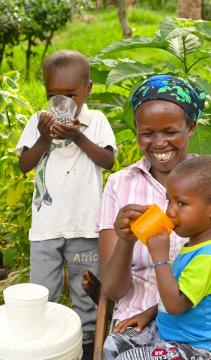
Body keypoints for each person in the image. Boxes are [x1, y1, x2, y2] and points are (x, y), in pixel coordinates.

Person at [97, 74, 211, 359]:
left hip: (207, 326)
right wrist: (125, 241)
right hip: (141, 313)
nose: (159, 143)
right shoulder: (120, 185)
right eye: (147, 133)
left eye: (170, 131)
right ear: (136, 130)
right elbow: (112, 289)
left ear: (191, 128)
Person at [16, 49, 117, 359]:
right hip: (46, 227)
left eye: (71, 94)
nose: (62, 102)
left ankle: (87, 344)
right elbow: (24, 164)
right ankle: (43, 344)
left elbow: (108, 160)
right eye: (53, 95)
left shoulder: (96, 121)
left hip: (85, 223)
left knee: (84, 289)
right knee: (40, 291)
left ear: (88, 89)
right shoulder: (38, 121)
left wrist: (77, 138)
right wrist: (44, 137)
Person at [104, 155, 211, 360]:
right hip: (171, 336)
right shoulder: (193, 246)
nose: (170, 212)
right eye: (169, 200)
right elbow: (180, 292)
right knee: (113, 344)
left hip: (199, 349)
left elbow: (176, 305)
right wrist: (148, 314)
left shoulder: (210, 256)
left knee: (127, 358)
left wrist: (160, 258)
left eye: (181, 204)